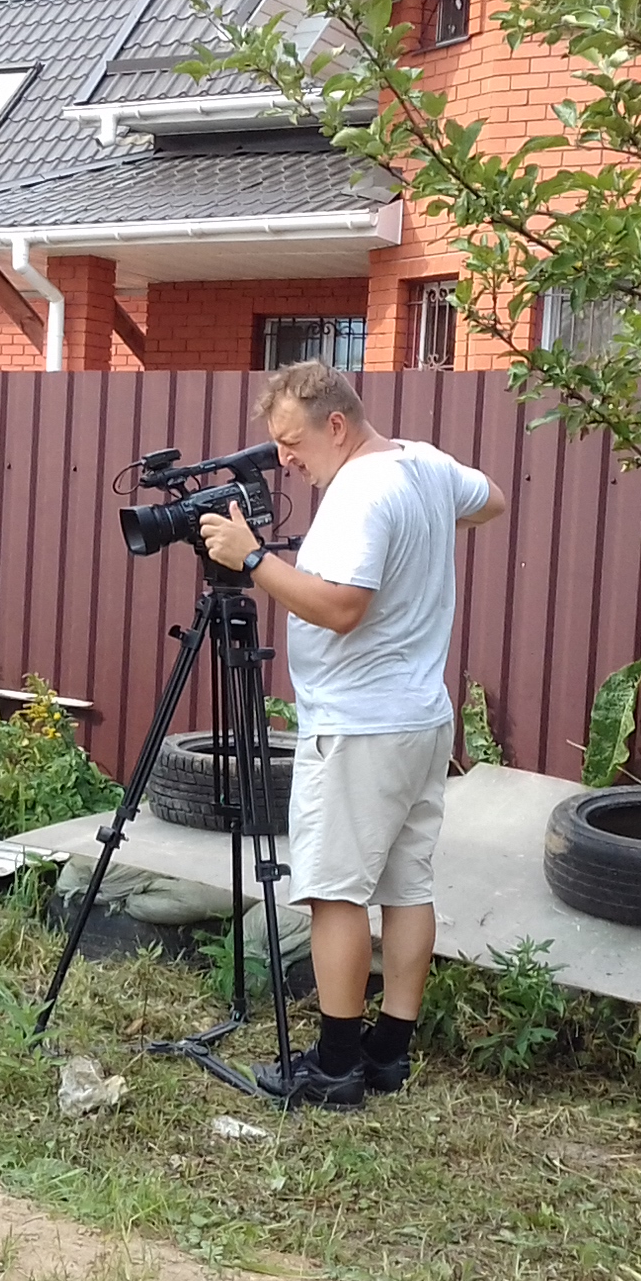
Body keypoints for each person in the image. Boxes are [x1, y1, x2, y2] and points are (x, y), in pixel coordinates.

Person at [196, 361, 508, 1108]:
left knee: (335, 893)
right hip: (421, 717)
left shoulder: (361, 493)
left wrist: (252, 558)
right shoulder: (422, 464)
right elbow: (492, 500)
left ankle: (336, 1066)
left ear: (336, 425)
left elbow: (340, 609)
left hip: (359, 726)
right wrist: (422, 534)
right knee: (407, 887)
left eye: (292, 442)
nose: (284, 460)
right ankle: (388, 1053)